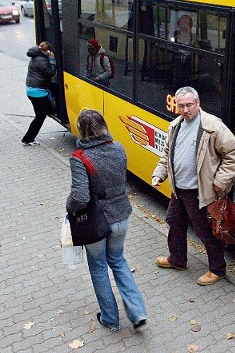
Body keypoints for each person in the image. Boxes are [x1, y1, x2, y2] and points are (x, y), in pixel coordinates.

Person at [151, 86, 235, 286]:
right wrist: (159, 174)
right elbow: (167, 154)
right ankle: (177, 259)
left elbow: (234, 154)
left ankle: (217, 269)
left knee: (205, 232)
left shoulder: (213, 127)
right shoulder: (175, 125)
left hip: (199, 193)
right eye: (181, 105)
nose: (185, 110)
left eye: (189, 105)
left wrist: (219, 182)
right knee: (174, 222)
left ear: (198, 104)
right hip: (179, 190)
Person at [66, 109, 147, 332]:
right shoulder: (119, 148)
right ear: (104, 125)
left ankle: (110, 319)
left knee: (99, 267)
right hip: (122, 215)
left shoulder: (79, 158)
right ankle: (138, 312)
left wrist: (69, 208)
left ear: (82, 130)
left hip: (96, 222)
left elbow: (80, 197)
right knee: (119, 261)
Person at [22, 42, 56, 146]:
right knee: (40, 116)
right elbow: (51, 72)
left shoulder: (35, 55)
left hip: (32, 89)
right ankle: (28, 139)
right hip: (38, 92)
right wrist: (52, 60)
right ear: (46, 51)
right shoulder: (42, 60)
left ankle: (52, 110)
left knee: (45, 110)